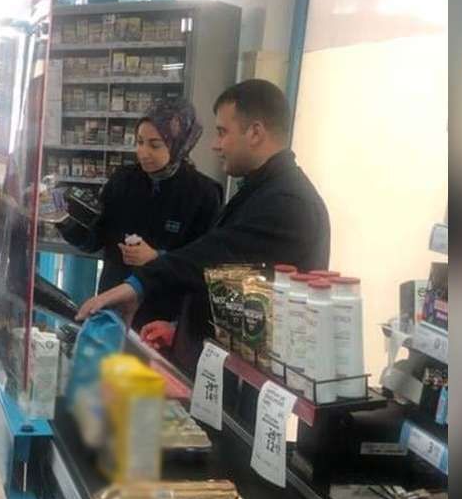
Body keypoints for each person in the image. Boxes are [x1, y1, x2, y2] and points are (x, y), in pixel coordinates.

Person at [76, 79, 330, 370]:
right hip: (213, 355)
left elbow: (212, 256)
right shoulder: (260, 190)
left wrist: (138, 284)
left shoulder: (287, 202)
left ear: (255, 133)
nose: (214, 144)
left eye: (222, 132)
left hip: (253, 376)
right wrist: (183, 330)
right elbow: (232, 284)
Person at [55, 97, 221, 331]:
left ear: (180, 145)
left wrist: (157, 257)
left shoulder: (203, 194)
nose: (143, 152)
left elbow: (204, 266)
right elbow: (94, 241)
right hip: (112, 311)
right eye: (140, 142)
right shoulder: (122, 181)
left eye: (155, 145)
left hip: (163, 321)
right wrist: (64, 221)